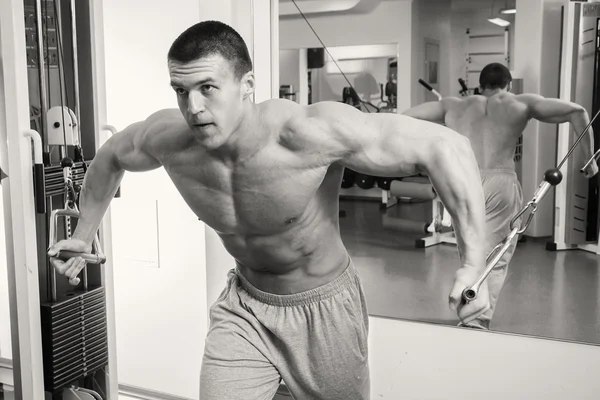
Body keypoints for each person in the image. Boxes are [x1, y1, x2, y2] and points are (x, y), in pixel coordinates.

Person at [48, 21, 489, 400]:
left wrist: (473, 263)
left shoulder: (306, 133)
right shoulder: (169, 139)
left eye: (207, 88)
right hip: (245, 306)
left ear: (248, 86)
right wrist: (85, 232)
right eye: (181, 91)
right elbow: (110, 157)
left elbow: (447, 146)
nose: (193, 107)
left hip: (325, 311)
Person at [403, 62, 599, 330]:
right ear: (507, 85)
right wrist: (589, 159)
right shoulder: (520, 102)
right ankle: (478, 321)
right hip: (500, 182)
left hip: (462, 180)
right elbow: (578, 112)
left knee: (471, 257)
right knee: (495, 258)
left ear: (479, 85)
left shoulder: (453, 105)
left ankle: (470, 314)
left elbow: (403, 118)